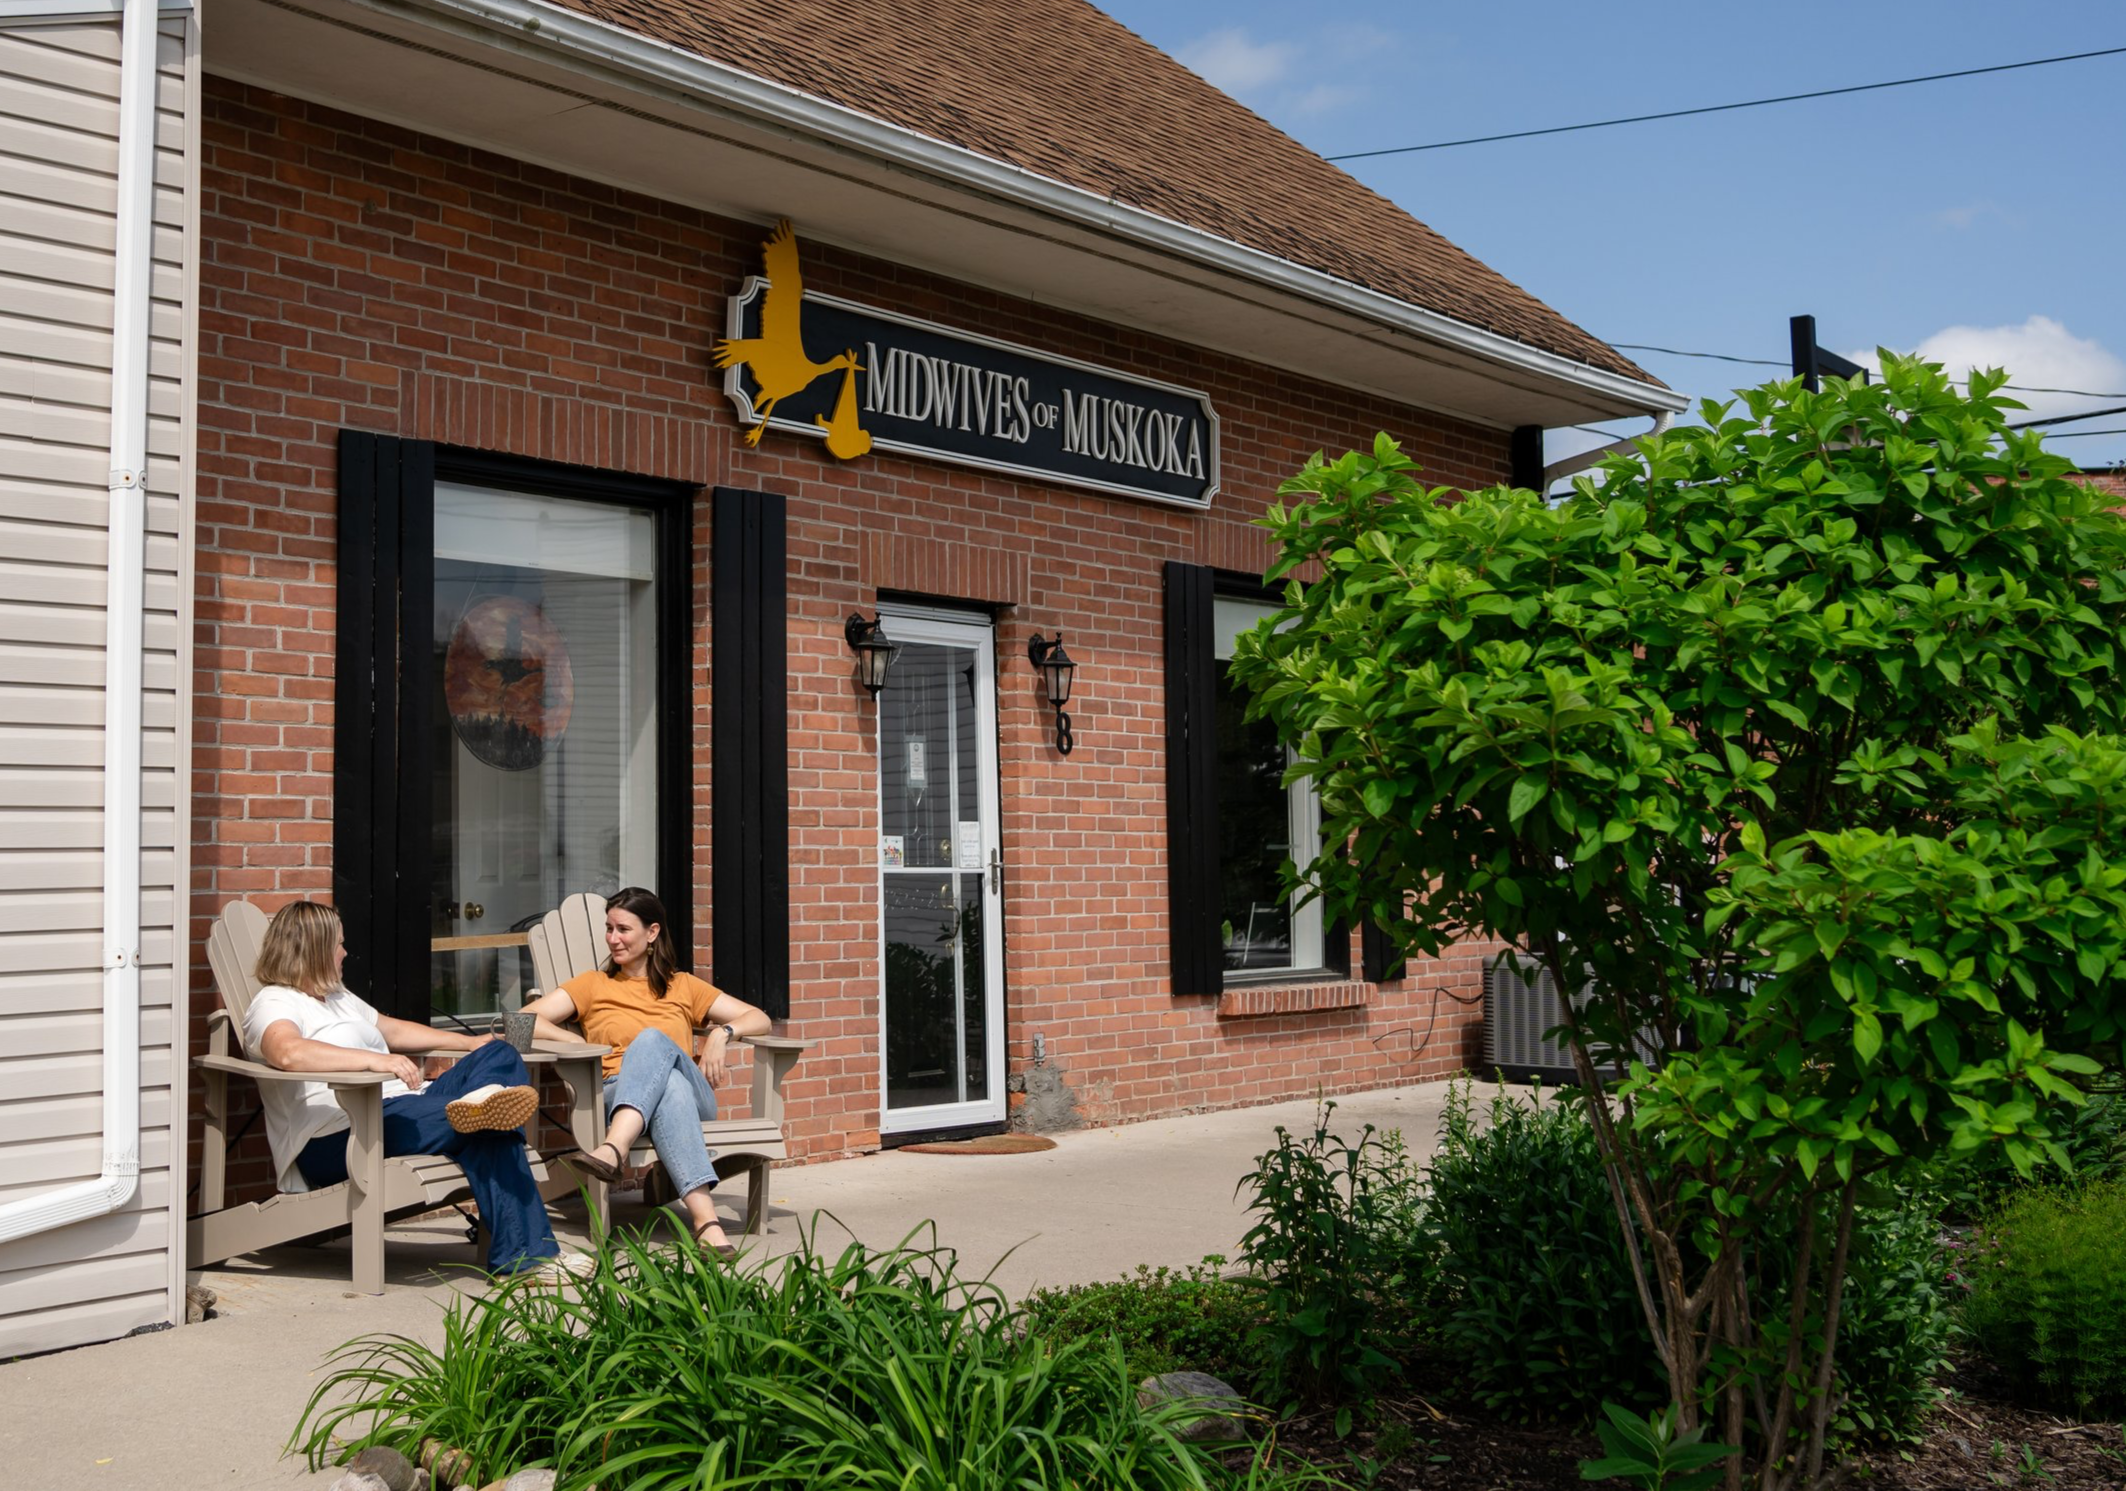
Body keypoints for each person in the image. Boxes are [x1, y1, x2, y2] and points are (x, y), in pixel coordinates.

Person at [244, 900, 584, 1282]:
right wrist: (373, 1061)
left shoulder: (337, 995)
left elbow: (393, 1030)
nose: (345, 952)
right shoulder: (273, 1002)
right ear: (315, 950)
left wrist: (468, 1044)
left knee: (498, 1052)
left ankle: (483, 1104)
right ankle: (526, 1256)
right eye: (338, 944)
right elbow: (287, 1052)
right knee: (489, 1129)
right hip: (343, 1132)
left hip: (403, 1106)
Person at [523, 887, 772, 1256]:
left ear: (652, 933)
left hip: (695, 1099)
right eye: (608, 929)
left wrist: (723, 1032)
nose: (613, 939)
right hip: (613, 1090)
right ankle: (707, 1224)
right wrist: (572, 1041)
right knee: (667, 1083)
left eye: (623, 929)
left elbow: (760, 1018)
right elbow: (523, 1019)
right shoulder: (593, 985)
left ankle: (613, 1149)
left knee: (654, 1043)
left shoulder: (683, 985)